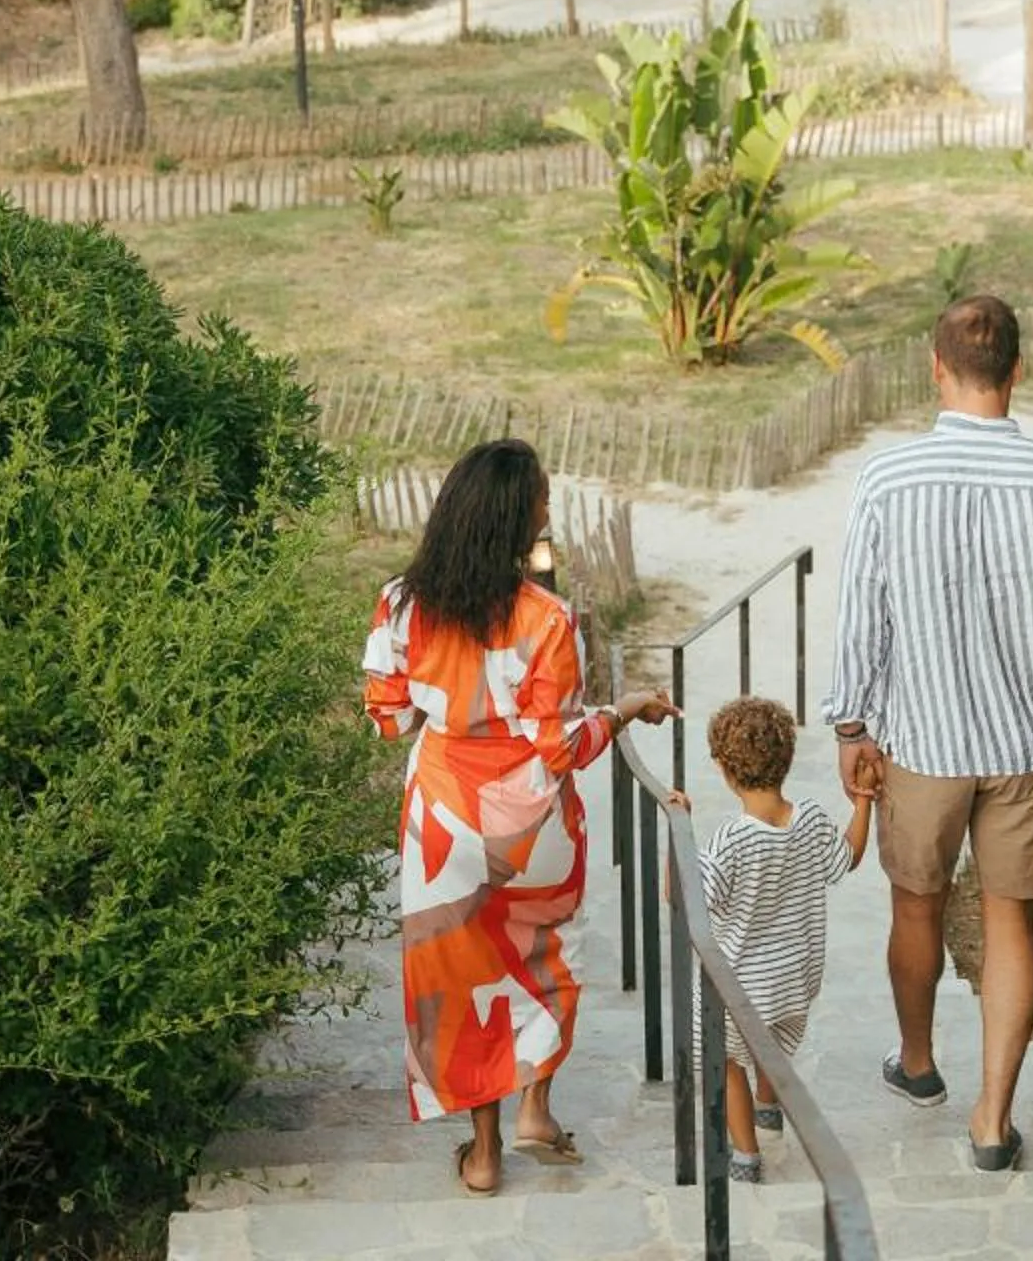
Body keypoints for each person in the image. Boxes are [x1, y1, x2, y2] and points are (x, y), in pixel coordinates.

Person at [823, 295, 1033, 1174]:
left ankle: (918, 1066)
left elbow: (862, 612)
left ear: (936, 368)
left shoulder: (888, 479)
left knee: (917, 904)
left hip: (922, 741)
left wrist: (852, 722)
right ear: (1018, 370)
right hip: (1026, 742)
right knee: (1011, 920)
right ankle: (992, 1120)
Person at [363, 439, 679, 1198]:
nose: (548, 507)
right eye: (541, 498)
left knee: (458, 974)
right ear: (515, 517)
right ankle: (536, 1104)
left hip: (443, 824)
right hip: (532, 825)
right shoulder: (549, 618)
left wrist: (452, 711)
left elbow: (388, 718)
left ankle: (483, 1154)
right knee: (544, 958)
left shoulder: (400, 603)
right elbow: (561, 746)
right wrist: (622, 712)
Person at [667, 699, 873, 1186]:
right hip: (794, 980)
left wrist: (680, 830)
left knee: (727, 1061)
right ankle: (768, 1106)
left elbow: (681, 894)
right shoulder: (811, 819)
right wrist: (864, 801)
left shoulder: (732, 841)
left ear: (724, 769)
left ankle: (745, 1155)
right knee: (771, 1045)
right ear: (787, 760)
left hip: (739, 989)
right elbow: (847, 858)